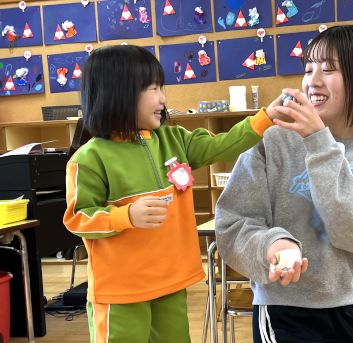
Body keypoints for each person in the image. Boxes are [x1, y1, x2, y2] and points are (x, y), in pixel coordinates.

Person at [62, 44, 282, 343]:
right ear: (119, 94)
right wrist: (125, 215)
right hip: (121, 291)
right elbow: (78, 219)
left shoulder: (174, 138)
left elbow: (223, 145)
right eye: (153, 89)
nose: (163, 99)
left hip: (171, 282)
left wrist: (265, 117)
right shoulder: (90, 158)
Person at [215, 25, 353, 342]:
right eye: (308, 68)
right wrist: (271, 244)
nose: (312, 80)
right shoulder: (270, 142)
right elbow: (232, 223)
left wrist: (319, 143)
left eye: (329, 69)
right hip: (284, 309)